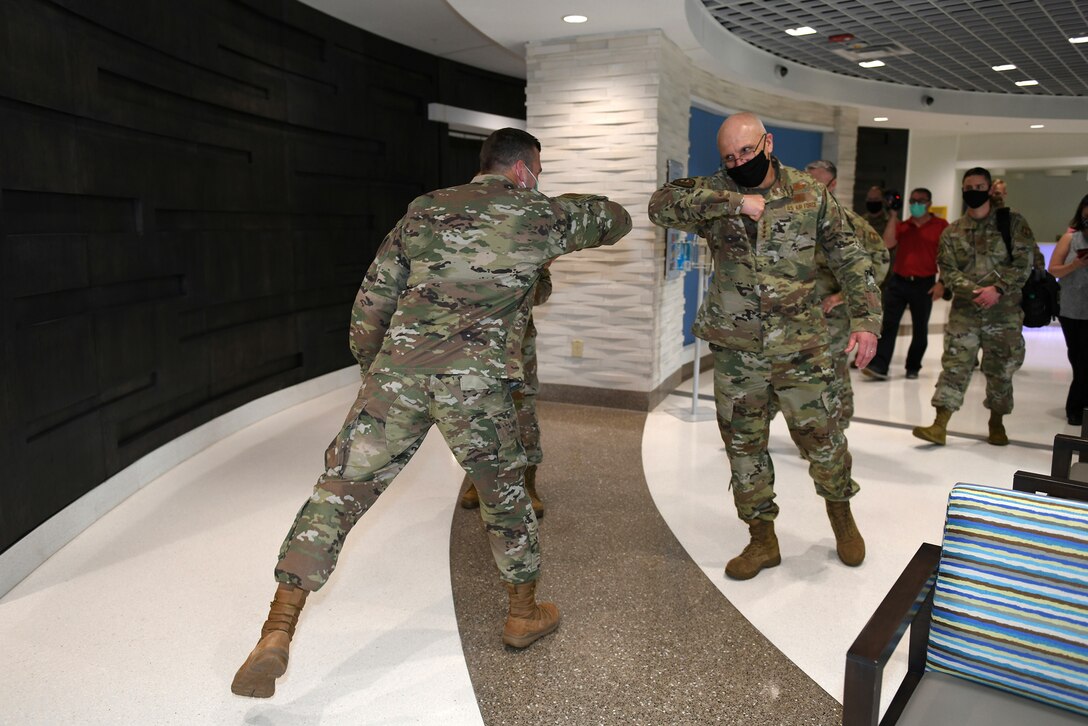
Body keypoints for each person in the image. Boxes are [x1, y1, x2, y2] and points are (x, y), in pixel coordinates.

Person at [231, 128, 632, 698]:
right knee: (504, 496)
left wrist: (379, 372)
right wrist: (551, 204)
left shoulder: (423, 209)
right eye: (536, 171)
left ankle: (277, 629)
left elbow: (371, 303)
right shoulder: (536, 213)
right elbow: (616, 220)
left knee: (338, 491)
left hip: (400, 375)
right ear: (523, 170)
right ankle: (522, 613)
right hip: (477, 385)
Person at [648, 112, 881, 581]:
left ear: (768, 143)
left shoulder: (808, 193)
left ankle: (842, 517)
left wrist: (867, 320)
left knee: (824, 439)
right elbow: (660, 205)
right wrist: (735, 202)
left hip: (802, 346)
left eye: (747, 152)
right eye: (730, 157)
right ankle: (762, 539)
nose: (738, 162)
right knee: (743, 447)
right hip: (736, 350)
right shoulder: (716, 189)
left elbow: (850, 255)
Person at [913, 167, 1034, 447]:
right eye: (969, 187)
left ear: (990, 190)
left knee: (1000, 370)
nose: (974, 191)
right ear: (963, 190)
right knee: (955, 365)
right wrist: (975, 291)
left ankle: (997, 422)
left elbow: (1024, 263)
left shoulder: (1012, 223)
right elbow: (948, 270)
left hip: (1004, 313)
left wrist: (998, 289)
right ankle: (939, 424)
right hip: (965, 312)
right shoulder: (953, 231)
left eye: (980, 187)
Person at [461, 267, 551, 516]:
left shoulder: (529, 244)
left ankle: (527, 483)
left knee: (523, 414)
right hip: (476, 342)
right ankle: (478, 481)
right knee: (477, 413)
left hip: (517, 345)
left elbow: (542, 293)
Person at [805, 160, 889, 423]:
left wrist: (843, 296)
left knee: (829, 368)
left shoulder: (850, 223)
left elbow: (880, 261)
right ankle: (826, 421)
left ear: (832, 185)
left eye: (817, 184)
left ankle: (834, 424)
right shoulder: (797, 222)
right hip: (801, 313)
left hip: (835, 314)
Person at [862, 188, 949, 380]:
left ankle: (913, 366)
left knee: (920, 328)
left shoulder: (940, 225)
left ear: (929, 203)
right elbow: (887, 242)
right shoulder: (903, 225)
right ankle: (880, 365)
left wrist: (942, 282)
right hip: (899, 281)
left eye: (920, 201)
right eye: (912, 200)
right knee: (889, 325)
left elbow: (947, 257)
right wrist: (893, 215)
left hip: (924, 284)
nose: (915, 204)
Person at [1048, 194, 1088, 426]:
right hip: (1072, 310)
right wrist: (1075, 264)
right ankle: (1075, 408)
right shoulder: (1070, 239)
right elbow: (1053, 269)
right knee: (1079, 359)